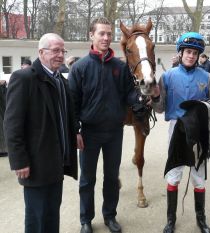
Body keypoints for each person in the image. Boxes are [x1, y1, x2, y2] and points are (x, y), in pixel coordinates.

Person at [68, 17, 140, 233]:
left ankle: (110, 216)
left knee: (111, 177)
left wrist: (140, 101)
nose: (106, 37)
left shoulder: (120, 66)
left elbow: (129, 94)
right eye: (102, 33)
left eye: (109, 34)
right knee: (87, 179)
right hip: (89, 133)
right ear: (91, 35)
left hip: (114, 132)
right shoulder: (79, 68)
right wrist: (76, 130)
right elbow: (72, 103)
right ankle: (86, 220)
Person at [3, 33, 78, 233]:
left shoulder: (61, 81)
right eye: (55, 50)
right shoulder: (24, 78)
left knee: (52, 214)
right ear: (41, 52)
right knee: (36, 218)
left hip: (57, 162)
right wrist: (19, 160)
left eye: (63, 51)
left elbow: (66, 115)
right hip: (35, 164)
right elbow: (12, 124)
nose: (60, 55)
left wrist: (75, 133)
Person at [151, 32, 210, 233]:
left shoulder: (206, 78)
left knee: (199, 176)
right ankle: (170, 220)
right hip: (176, 129)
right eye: (188, 51)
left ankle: (201, 218)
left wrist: (201, 109)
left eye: (195, 53)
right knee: (174, 174)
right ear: (180, 53)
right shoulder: (167, 77)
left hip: (198, 130)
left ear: (199, 56)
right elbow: (160, 108)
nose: (191, 56)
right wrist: (155, 96)